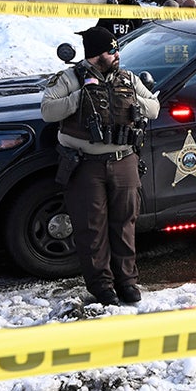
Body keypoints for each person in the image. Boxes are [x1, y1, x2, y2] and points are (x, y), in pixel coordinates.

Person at [40, 26, 159, 306]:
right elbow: (47, 111)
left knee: (125, 224)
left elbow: (153, 108)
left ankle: (127, 281)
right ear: (95, 56)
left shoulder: (128, 78)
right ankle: (101, 286)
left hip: (124, 160)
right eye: (111, 50)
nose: (117, 55)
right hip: (85, 165)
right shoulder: (70, 79)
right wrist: (82, 97)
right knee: (92, 228)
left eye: (117, 49)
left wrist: (132, 99)